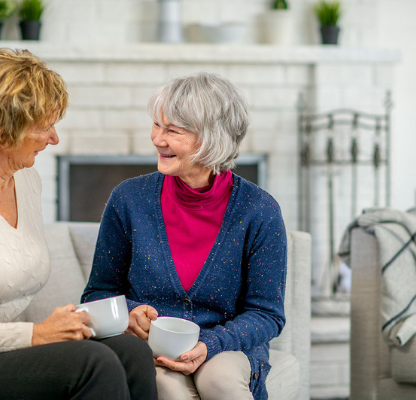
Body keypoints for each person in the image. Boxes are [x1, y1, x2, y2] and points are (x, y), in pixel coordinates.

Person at [0, 48, 157, 400]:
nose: (54, 139)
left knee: (131, 351)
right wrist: (35, 335)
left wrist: (104, 320)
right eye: (45, 127)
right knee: (94, 363)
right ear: (5, 131)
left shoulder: (26, 181)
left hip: (12, 348)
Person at [82, 72, 287, 400]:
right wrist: (131, 312)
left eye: (173, 131)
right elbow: (97, 294)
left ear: (212, 139)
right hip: (150, 350)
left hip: (226, 346)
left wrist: (212, 344)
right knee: (167, 387)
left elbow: (267, 314)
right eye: (156, 125)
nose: (157, 139)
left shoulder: (259, 210)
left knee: (219, 382)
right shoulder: (129, 199)